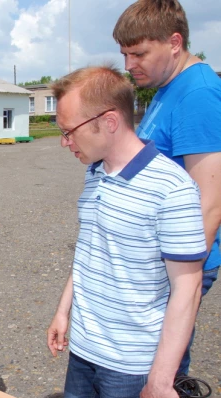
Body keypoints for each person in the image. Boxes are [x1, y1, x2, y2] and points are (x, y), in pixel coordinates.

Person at [46, 65, 207, 398]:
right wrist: (63, 311)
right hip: (83, 353)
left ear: (109, 121)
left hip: (131, 367)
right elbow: (90, 250)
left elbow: (188, 288)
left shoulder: (172, 189)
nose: (64, 142)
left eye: (69, 131)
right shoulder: (95, 173)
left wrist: (161, 381)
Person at [113, 0, 221, 376]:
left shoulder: (198, 94)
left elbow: (209, 203)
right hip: (154, 261)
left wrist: (184, 288)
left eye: (139, 53)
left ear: (174, 42)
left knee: (160, 372)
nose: (129, 65)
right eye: (124, 54)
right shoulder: (167, 87)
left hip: (176, 265)